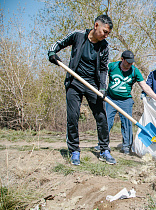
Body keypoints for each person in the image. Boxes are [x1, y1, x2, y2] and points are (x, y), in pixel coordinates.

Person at [48, 15, 116, 165]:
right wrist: (52, 53)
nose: (106, 35)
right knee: (73, 116)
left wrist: (103, 87)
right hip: (75, 82)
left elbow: (104, 68)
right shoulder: (78, 36)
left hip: (93, 85)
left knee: (101, 117)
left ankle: (104, 150)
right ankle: (74, 151)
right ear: (96, 25)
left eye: (108, 33)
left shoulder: (104, 46)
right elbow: (58, 44)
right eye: (104, 31)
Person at [102, 50, 156, 155]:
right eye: (128, 62)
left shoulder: (134, 71)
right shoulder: (112, 66)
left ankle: (127, 146)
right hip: (110, 99)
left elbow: (145, 86)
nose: (130, 64)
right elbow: (101, 74)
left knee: (127, 124)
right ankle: (103, 145)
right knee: (105, 122)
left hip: (126, 101)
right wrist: (102, 88)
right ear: (122, 59)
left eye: (132, 62)